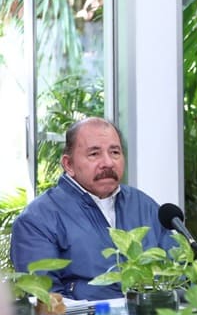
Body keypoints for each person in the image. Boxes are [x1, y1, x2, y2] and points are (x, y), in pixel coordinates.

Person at [11, 117, 174, 300]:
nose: (108, 162)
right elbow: (47, 299)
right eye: (94, 154)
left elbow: (178, 272)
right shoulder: (37, 220)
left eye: (115, 152)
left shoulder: (143, 205)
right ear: (69, 165)